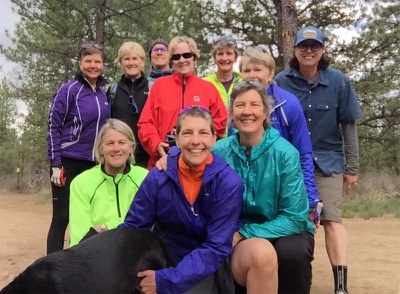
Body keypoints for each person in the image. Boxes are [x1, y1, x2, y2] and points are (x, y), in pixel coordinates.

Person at [156, 81, 315, 293]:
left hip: (282, 229)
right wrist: (171, 157)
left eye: (254, 105)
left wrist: (244, 232)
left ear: (265, 111)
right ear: (231, 112)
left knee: (291, 251)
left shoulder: (286, 153)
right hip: (230, 234)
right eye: (240, 105)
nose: (247, 112)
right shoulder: (220, 150)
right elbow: (193, 150)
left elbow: (295, 218)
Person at [275, 26, 362, 294]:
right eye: (303, 46)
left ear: (322, 50)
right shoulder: (280, 81)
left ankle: (340, 287)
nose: (309, 51)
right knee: (293, 221)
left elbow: (348, 125)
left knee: (332, 221)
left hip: (329, 163)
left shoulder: (338, 81)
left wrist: (352, 168)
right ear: (296, 50)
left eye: (314, 46)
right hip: (291, 165)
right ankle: (290, 281)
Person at [122, 106, 244, 294]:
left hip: (205, 265)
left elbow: (215, 247)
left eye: (203, 133)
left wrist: (166, 281)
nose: (196, 141)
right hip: (164, 256)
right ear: (177, 139)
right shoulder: (159, 176)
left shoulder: (228, 182)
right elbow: (134, 227)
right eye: (187, 133)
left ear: (214, 138)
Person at [239, 46, 321, 223]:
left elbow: (303, 152)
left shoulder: (288, 103)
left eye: (258, 69)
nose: (252, 74)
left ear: (270, 74)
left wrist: (311, 197)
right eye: (247, 70)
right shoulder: (237, 107)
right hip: (249, 189)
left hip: (284, 184)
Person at [46, 43, 109, 254]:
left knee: (86, 216)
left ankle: (82, 263)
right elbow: (53, 126)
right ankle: (51, 268)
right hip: (67, 161)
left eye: (97, 61)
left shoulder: (103, 94)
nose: (93, 65)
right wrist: (55, 163)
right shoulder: (69, 90)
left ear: (103, 64)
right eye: (88, 61)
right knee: (62, 216)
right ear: (80, 63)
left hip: (93, 164)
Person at [138, 35, 228, 169]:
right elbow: (146, 123)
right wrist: (156, 145)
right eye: (176, 56)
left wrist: (200, 139)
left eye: (187, 55)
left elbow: (220, 120)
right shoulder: (159, 86)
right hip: (165, 161)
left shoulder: (208, 89)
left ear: (194, 58)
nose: (182, 60)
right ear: (171, 61)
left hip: (199, 161)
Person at [69, 119, 148, 246]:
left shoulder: (145, 178)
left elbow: (149, 227)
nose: (116, 149)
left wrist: (106, 227)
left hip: (137, 252)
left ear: (131, 148)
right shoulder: (81, 183)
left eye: (122, 142)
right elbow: (79, 238)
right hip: (97, 254)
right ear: (100, 149)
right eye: (110, 143)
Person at [107, 41, 150, 168]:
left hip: (146, 155)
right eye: (126, 59)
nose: (131, 63)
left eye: (135, 58)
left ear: (142, 62)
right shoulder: (112, 91)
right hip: (119, 154)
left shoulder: (153, 88)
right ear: (121, 63)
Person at [203, 35, 242, 108]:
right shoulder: (204, 84)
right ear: (214, 58)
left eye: (229, 53)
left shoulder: (244, 82)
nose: (224, 58)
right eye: (220, 54)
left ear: (235, 57)